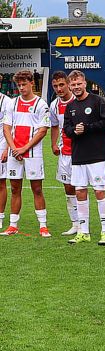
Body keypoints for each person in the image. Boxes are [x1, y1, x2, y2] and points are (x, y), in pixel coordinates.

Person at [63, 70, 105, 245]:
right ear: (70, 86)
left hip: (97, 155)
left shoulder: (97, 101)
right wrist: (74, 131)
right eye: (73, 85)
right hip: (78, 156)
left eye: (79, 84)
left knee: (99, 191)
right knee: (80, 192)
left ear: (85, 83)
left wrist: (87, 128)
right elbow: (67, 129)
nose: (76, 87)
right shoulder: (70, 107)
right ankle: (84, 232)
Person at [0, 70, 51, 237]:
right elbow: (6, 128)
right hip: (16, 153)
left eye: (24, 84)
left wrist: (24, 148)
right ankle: (13, 225)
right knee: (15, 188)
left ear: (31, 83)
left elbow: (42, 130)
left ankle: (43, 226)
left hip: (33, 153)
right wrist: (14, 148)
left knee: (37, 189)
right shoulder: (12, 103)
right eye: (18, 85)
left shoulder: (41, 104)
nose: (21, 88)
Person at [49, 71, 78, 236]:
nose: (59, 89)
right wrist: (53, 143)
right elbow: (54, 126)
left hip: (81, 152)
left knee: (81, 187)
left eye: (61, 85)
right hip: (64, 152)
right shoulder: (54, 105)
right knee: (68, 188)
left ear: (68, 84)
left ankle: (84, 223)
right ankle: (75, 223)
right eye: (55, 86)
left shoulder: (78, 101)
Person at [0, 88, 11, 229]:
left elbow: (11, 127)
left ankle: (0, 216)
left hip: (1, 146)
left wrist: (7, 148)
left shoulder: (7, 102)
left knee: (1, 183)